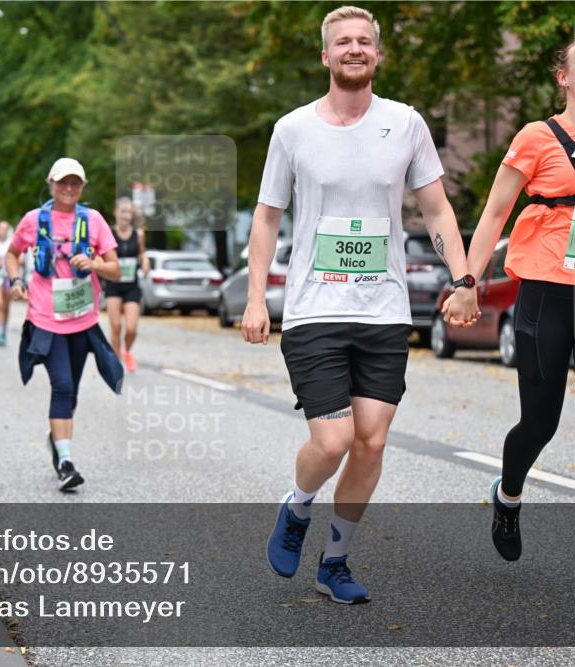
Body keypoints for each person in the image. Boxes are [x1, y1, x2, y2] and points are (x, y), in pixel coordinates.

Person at [245, 6, 478, 604]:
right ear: (325, 56)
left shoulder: (406, 124)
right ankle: (297, 508)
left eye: (364, 41)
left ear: (377, 55)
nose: (354, 48)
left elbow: (435, 209)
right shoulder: (293, 129)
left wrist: (465, 276)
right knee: (333, 441)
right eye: (342, 42)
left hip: (384, 310)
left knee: (371, 441)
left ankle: (336, 562)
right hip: (314, 310)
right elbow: (268, 216)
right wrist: (255, 299)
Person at [464, 34, 575, 598]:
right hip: (544, 295)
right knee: (539, 424)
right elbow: (495, 213)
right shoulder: (535, 137)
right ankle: (508, 493)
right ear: (563, 76)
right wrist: (467, 283)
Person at [6, 157, 124, 491]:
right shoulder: (33, 220)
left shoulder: (94, 220)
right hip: (45, 318)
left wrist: (96, 263)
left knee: (69, 390)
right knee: (62, 386)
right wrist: (15, 279)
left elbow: (117, 269)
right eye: (62, 183)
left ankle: (57, 440)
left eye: (75, 183)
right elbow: (12, 253)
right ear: (51, 184)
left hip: (82, 318)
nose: (69, 189)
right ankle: (67, 464)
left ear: (82, 187)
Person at [104, 197, 150, 372]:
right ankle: (116, 360)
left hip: (131, 285)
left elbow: (142, 253)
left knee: (131, 328)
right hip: (113, 284)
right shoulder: (108, 233)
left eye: (129, 212)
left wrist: (145, 261)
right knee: (116, 326)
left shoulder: (138, 234)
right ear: (116, 213)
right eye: (122, 211)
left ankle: (127, 351)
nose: (125, 215)